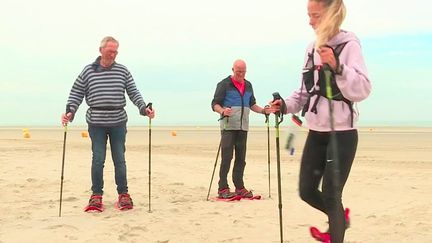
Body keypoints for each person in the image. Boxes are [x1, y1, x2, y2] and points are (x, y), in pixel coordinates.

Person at [271, 0, 371, 242]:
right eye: (309, 15)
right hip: (316, 132)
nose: (310, 21)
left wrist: (338, 68)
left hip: (342, 133)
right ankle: (340, 220)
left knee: (331, 194)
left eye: (315, 15)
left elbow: (363, 89)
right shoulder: (310, 48)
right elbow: (305, 93)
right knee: (306, 191)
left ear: (330, 14)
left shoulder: (349, 44)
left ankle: (336, 229)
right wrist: (284, 105)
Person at [61, 36, 155, 211]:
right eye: (110, 51)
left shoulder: (122, 71)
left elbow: (133, 92)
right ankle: (96, 196)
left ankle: (124, 195)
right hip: (96, 122)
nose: (113, 54)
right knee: (98, 159)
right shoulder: (88, 71)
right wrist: (70, 112)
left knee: (119, 159)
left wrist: (144, 109)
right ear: (101, 50)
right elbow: (76, 93)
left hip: (118, 121)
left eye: (115, 51)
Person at [211, 59, 270, 199]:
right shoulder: (224, 84)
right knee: (227, 158)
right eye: (238, 72)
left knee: (241, 159)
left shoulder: (248, 85)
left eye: (243, 72)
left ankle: (239, 187)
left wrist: (263, 111)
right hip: (228, 126)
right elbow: (214, 104)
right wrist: (222, 111)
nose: (241, 75)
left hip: (243, 127)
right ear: (233, 70)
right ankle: (223, 188)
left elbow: (252, 104)